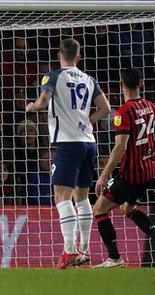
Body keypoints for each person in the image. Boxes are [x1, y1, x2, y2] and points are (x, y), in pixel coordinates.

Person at [26, 38, 111, 269]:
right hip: (88, 143)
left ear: (58, 55)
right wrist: (87, 121)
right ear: (79, 56)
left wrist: (31, 106)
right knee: (82, 198)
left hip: (68, 144)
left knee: (61, 197)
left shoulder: (52, 76)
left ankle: (69, 250)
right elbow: (106, 108)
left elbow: (43, 103)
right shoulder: (89, 78)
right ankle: (84, 249)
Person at [92, 68, 155, 268]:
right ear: (141, 85)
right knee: (127, 208)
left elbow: (120, 146)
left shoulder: (123, 112)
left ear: (121, 86)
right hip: (147, 171)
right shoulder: (150, 106)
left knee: (99, 210)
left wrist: (104, 175)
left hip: (129, 175)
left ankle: (114, 258)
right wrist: (152, 154)